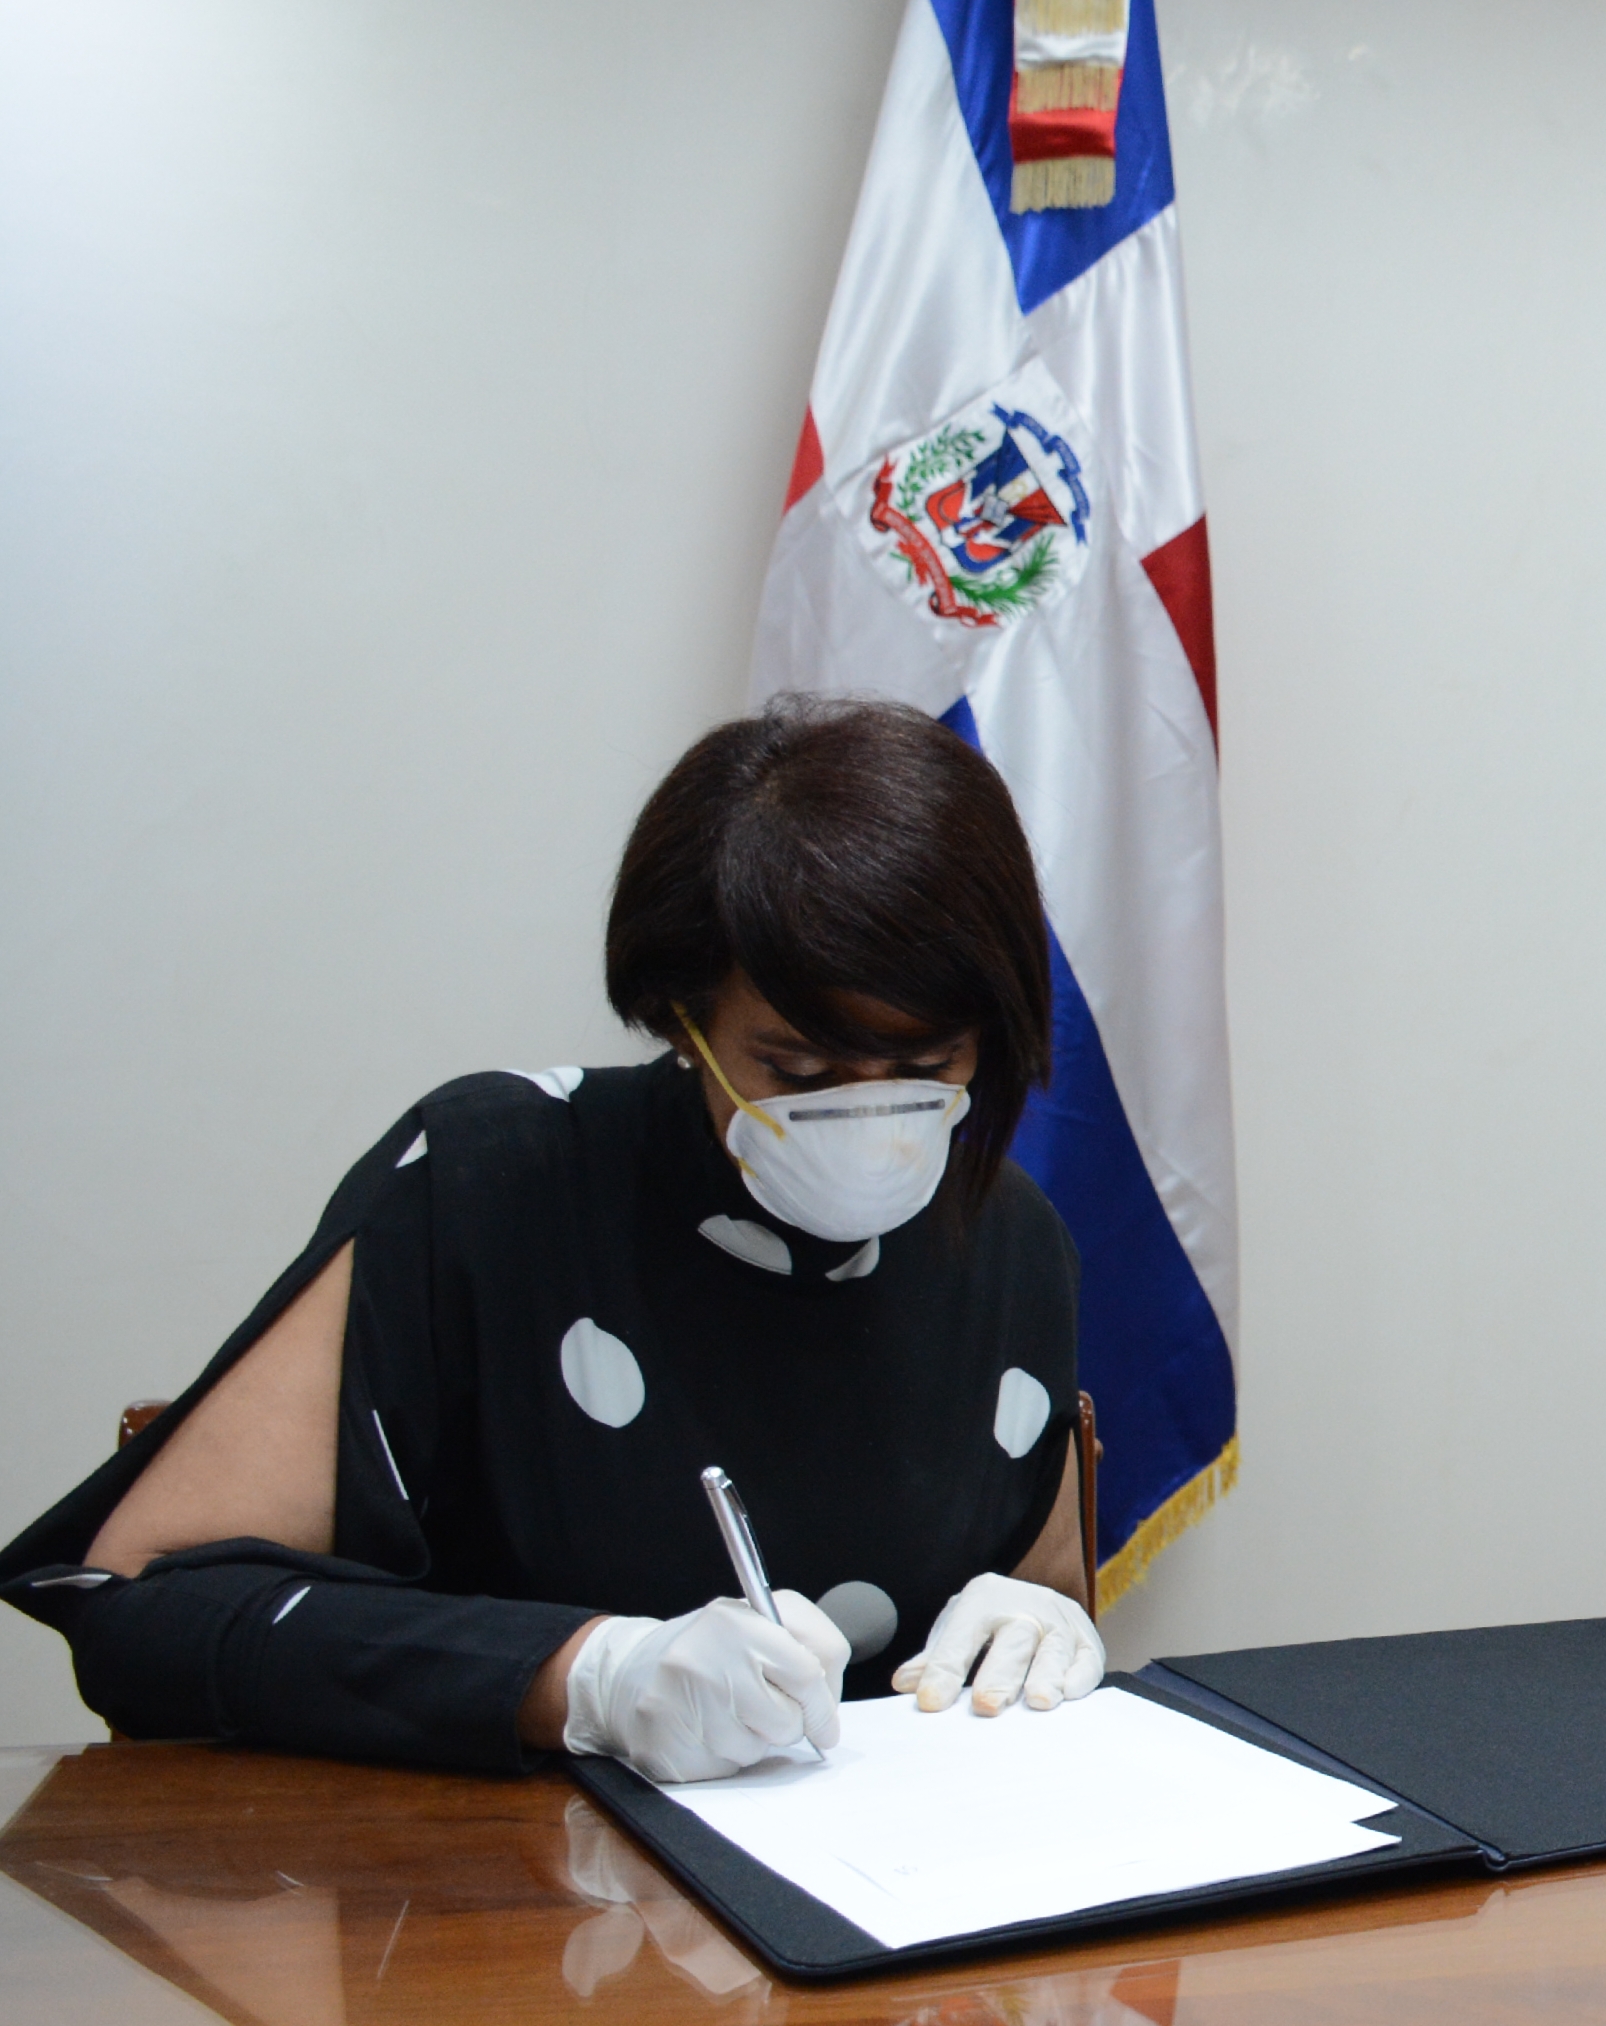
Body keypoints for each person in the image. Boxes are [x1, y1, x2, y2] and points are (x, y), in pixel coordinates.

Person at [6, 696, 1110, 1781]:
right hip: (498, 1877)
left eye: (926, 1066)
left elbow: (1041, 1588)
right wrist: (585, 1679)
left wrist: (1039, 1625)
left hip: (867, 1879)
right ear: (684, 1018)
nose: (865, 1116)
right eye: (797, 1067)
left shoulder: (1007, 1240)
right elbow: (145, 1604)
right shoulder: (491, 1183)